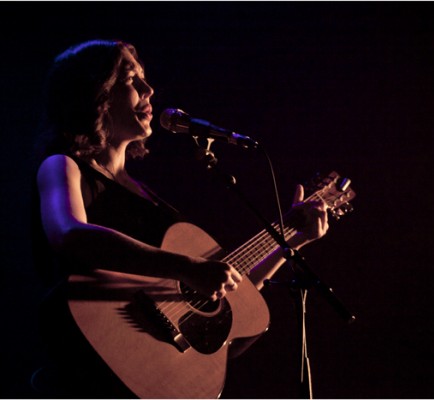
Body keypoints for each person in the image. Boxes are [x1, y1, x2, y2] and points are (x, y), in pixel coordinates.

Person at [31, 39, 329, 398]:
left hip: (151, 367)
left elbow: (229, 288)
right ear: (96, 95)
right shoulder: (63, 166)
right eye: (130, 79)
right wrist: (185, 267)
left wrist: (289, 240)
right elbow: (69, 235)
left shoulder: (147, 195)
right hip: (86, 364)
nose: (149, 89)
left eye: (145, 78)